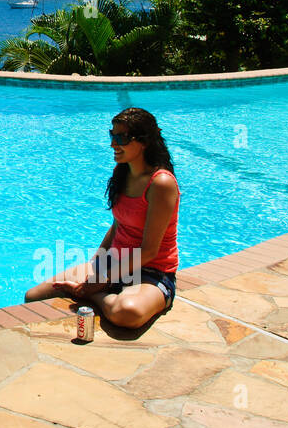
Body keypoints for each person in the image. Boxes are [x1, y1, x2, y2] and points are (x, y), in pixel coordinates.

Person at [24, 107, 179, 329]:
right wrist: (96, 264)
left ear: (144, 141)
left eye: (121, 138)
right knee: (35, 295)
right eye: (112, 136)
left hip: (151, 272)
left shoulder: (161, 183)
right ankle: (99, 293)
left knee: (127, 313)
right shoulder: (123, 173)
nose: (113, 144)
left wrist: (95, 286)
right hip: (114, 262)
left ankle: (94, 297)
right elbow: (118, 225)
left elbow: (149, 251)